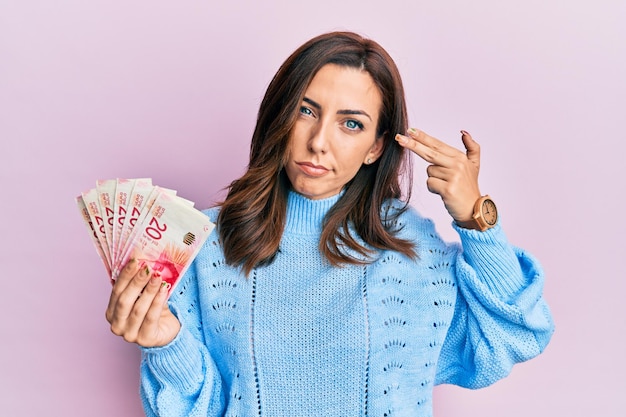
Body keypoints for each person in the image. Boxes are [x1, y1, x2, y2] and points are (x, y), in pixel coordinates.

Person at [105, 31, 554, 417]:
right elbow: (193, 406)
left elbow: (514, 337)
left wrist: (476, 218)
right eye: (306, 111)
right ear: (279, 116)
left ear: (376, 148)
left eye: (351, 124)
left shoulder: (411, 248)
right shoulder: (205, 244)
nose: (319, 142)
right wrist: (166, 344)